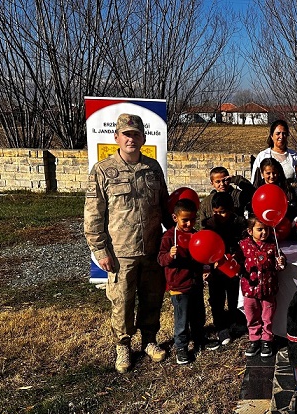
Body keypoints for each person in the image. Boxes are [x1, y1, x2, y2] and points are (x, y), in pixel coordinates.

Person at [84, 113, 170, 374]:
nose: (131, 139)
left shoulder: (153, 168)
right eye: (126, 134)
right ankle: (123, 345)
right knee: (122, 301)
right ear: (117, 137)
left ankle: (149, 340)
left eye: (135, 134)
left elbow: (165, 207)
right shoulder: (103, 171)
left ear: (143, 138)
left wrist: (179, 232)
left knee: (152, 297)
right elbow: (93, 214)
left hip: (152, 248)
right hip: (121, 252)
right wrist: (100, 249)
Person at [158, 198, 220, 365]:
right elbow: (161, 260)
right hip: (178, 286)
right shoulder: (169, 237)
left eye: (192, 219)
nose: (189, 223)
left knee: (198, 315)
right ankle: (182, 348)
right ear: (175, 217)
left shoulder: (195, 235)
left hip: (195, 284)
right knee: (182, 319)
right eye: (185, 220)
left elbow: (203, 256)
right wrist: (170, 255)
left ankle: (200, 340)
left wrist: (206, 269)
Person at [236, 216, 287, 358]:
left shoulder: (273, 245)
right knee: (252, 315)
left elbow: (280, 266)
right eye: (259, 229)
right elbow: (238, 264)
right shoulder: (243, 245)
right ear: (250, 231)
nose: (264, 233)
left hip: (268, 289)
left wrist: (281, 262)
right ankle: (254, 339)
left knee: (267, 316)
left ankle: (267, 340)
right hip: (249, 289)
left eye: (266, 229)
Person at [201, 192, 247, 346]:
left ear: (231, 209)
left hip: (233, 267)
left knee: (235, 296)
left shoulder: (240, 223)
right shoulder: (209, 225)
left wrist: (237, 254)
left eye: (222, 212)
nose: (219, 215)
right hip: (215, 269)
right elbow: (204, 246)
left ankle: (236, 322)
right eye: (216, 212)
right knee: (216, 299)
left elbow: (245, 243)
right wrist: (207, 266)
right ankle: (221, 327)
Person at [251, 119, 297, 184]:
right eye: (278, 133)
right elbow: (255, 181)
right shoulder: (262, 156)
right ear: (271, 136)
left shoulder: (294, 156)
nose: (281, 136)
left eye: (284, 133)